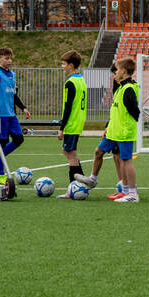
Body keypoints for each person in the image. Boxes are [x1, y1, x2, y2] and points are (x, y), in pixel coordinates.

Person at [76, 58, 141, 202]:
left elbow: (135, 112)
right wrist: (109, 126)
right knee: (98, 151)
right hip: (113, 131)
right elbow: (116, 111)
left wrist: (124, 125)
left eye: (116, 70)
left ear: (123, 71)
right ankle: (95, 180)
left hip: (123, 132)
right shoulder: (121, 87)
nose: (114, 74)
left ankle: (132, 194)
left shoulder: (129, 89)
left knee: (126, 161)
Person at [0, 46, 31, 182]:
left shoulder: (12, 75)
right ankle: (0, 174)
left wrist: (23, 108)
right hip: (0, 116)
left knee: (19, 139)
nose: (9, 61)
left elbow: (14, 95)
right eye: (6, 58)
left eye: (10, 58)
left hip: (11, 115)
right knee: (2, 143)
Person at [55, 50, 88, 197]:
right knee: (67, 151)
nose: (62, 66)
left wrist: (62, 128)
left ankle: (73, 189)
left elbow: (68, 107)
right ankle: (83, 182)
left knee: (71, 154)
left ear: (71, 65)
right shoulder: (81, 80)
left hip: (72, 123)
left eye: (64, 64)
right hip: (78, 121)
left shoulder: (70, 83)